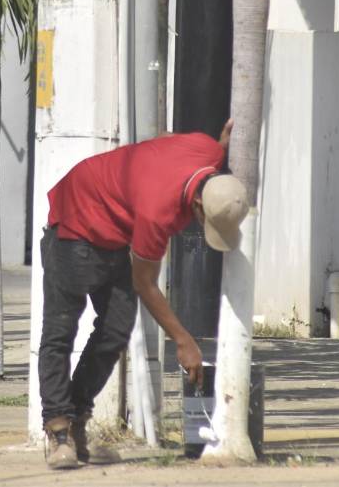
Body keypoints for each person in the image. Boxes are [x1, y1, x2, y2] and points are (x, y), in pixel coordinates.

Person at [37, 120, 249, 469]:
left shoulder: (207, 149)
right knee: (60, 333)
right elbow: (145, 283)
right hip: (75, 226)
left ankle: (74, 418)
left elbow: (165, 140)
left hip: (113, 231)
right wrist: (183, 340)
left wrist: (223, 145)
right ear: (197, 204)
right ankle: (60, 432)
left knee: (117, 329)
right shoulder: (158, 212)